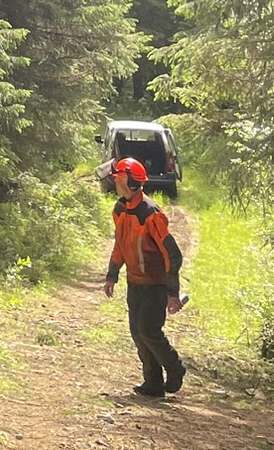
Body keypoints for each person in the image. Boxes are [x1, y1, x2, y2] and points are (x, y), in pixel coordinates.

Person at [103, 155, 186, 398]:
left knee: (149, 331)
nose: (116, 182)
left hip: (155, 285)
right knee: (137, 333)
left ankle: (175, 367)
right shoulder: (119, 210)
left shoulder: (151, 214)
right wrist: (112, 275)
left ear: (131, 182)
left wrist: (172, 293)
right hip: (135, 283)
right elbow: (120, 245)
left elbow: (173, 255)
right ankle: (153, 383)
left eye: (119, 178)